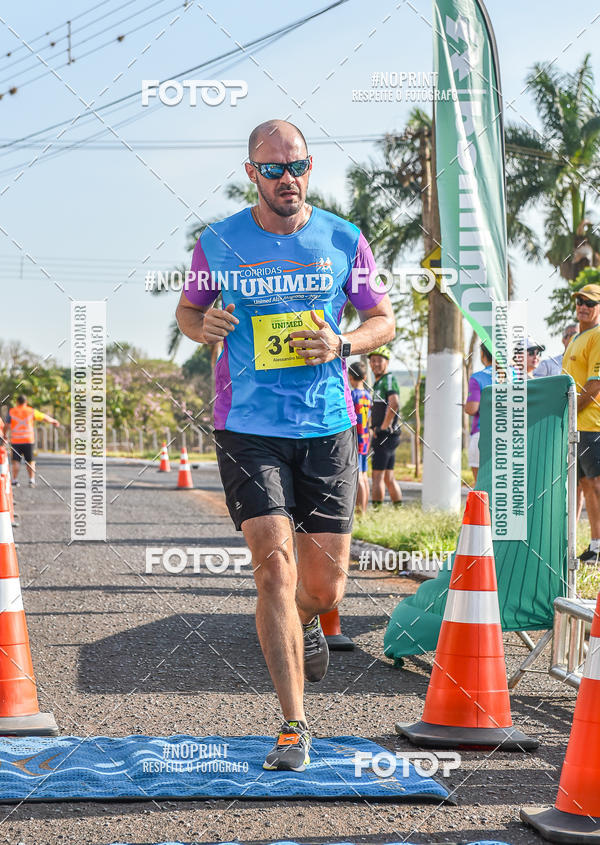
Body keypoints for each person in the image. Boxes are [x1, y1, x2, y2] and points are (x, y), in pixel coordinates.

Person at [175, 119, 395, 771]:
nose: (288, 179)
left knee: (325, 588)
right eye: (273, 169)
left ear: (308, 167)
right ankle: (294, 725)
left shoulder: (344, 238)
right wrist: (202, 325)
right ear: (253, 174)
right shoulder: (218, 242)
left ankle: (305, 620)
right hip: (247, 425)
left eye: (297, 166)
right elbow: (188, 311)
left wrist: (342, 343)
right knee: (273, 565)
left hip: (326, 424)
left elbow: (382, 319)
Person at [562, 284, 600, 564]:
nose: (583, 307)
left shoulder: (598, 336)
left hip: (592, 424)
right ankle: (591, 546)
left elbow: (595, 384)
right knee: (584, 485)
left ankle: (598, 547)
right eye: (579, 302)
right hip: (576, 425)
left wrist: (572, 411)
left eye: (590, 303)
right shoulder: (576, 337)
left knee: (595, 485)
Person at [368, 347, 403, 507]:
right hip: (388, 435)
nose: (375, 364)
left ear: (387, 362)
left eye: (379, 360)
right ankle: (398, 509)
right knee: (388, 477)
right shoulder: (379, 382)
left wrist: (382, 428)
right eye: (372, 360)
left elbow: (394, 403)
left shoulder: (388, 379)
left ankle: (376, 512)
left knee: (377, 477)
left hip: (385, 435)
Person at [6, 395, 60, 487]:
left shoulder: (12, 411)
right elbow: (44, 417)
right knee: (30, 461)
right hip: (28, 441)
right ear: (26, 402)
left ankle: (14, 480)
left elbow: (7, 425)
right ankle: (31, 480)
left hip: (16, 441)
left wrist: (4, 435)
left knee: (16, 461)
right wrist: (53, 421)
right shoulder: (31, 411)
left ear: (17, 402)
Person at [465, 344, 493, 484]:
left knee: (481, 486)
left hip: (482, 434)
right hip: (510, 435)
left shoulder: (478, 377)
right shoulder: (513, 375)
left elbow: (472, 409)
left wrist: (466, 406)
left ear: (482, 354)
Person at [348, 361, 371, 513]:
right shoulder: (368, 395)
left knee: (359, 477)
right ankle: (365, 509)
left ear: (350, 377)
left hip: (356, 438)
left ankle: (360, 511)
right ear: (365, 377)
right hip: (366, 436)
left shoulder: (352, 395)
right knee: (364, 475)